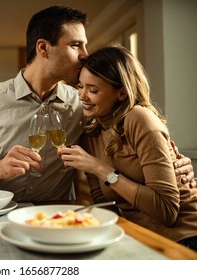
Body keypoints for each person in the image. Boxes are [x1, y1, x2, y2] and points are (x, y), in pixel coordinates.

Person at [0, 6, 195, 203]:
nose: (85, 54)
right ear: (43, 48)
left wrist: (178, 164)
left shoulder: (84, 105)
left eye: (84, 45)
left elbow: (133, 134)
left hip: (57, 220)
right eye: (75, 45)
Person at [60, 45, 197, 249]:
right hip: (137, 236)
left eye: (93, 90)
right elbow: (103, 205)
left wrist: (100, 169)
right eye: (80, 86)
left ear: (122, 93)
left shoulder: (139, 118)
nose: (82, 96)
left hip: (183, 238)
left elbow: (167, 212)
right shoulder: (91, 135)